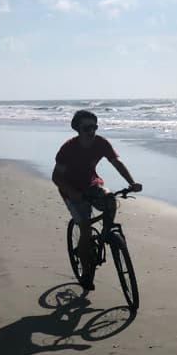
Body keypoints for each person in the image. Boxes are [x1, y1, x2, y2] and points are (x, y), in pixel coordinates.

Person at [52, 109, 142, 291]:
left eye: (94, 127)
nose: (91, 131)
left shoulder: (101, 143)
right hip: (72, 191)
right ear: (77, 129)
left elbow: (116, 163)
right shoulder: (68, 149)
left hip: (92, 184)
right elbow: (56, 177)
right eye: (87, 128)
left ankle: (107, 233)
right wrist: (73, 193)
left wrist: (132, 182)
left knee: (110, 199)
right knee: (85, 230)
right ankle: (86, 273)